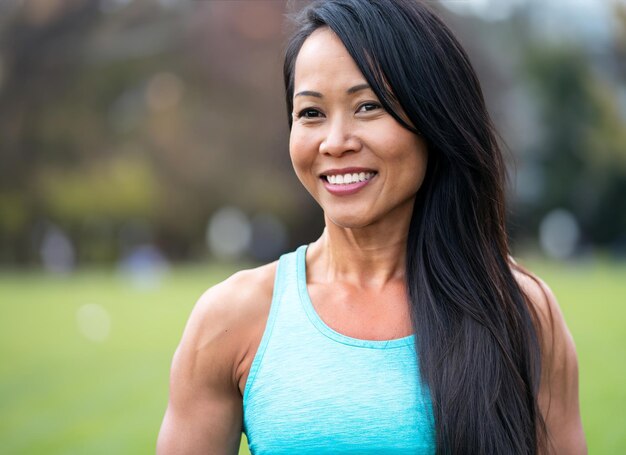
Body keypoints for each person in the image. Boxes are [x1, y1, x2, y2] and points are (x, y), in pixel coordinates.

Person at [157, 0, 586, 453]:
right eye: (310, 113)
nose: (335, 142)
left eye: (368, 106)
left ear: (434, 121)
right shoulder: (231, 318)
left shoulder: (518, 308)